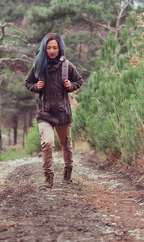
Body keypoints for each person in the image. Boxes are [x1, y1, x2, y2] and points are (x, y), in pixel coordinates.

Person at [25, 33, 83, 188]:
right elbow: (28, 82)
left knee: (66, 144)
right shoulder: (38, 65)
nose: (51, 51)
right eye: (49, 47)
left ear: (60, 48)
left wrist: (70, 86)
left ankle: (68, 172)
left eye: (55, 47)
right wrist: (35, 87)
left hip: (63, 112)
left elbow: (79, 81)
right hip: (45, 113)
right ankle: (48, 176)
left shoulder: (67, 66)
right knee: (47, 143)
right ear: (44, 48)